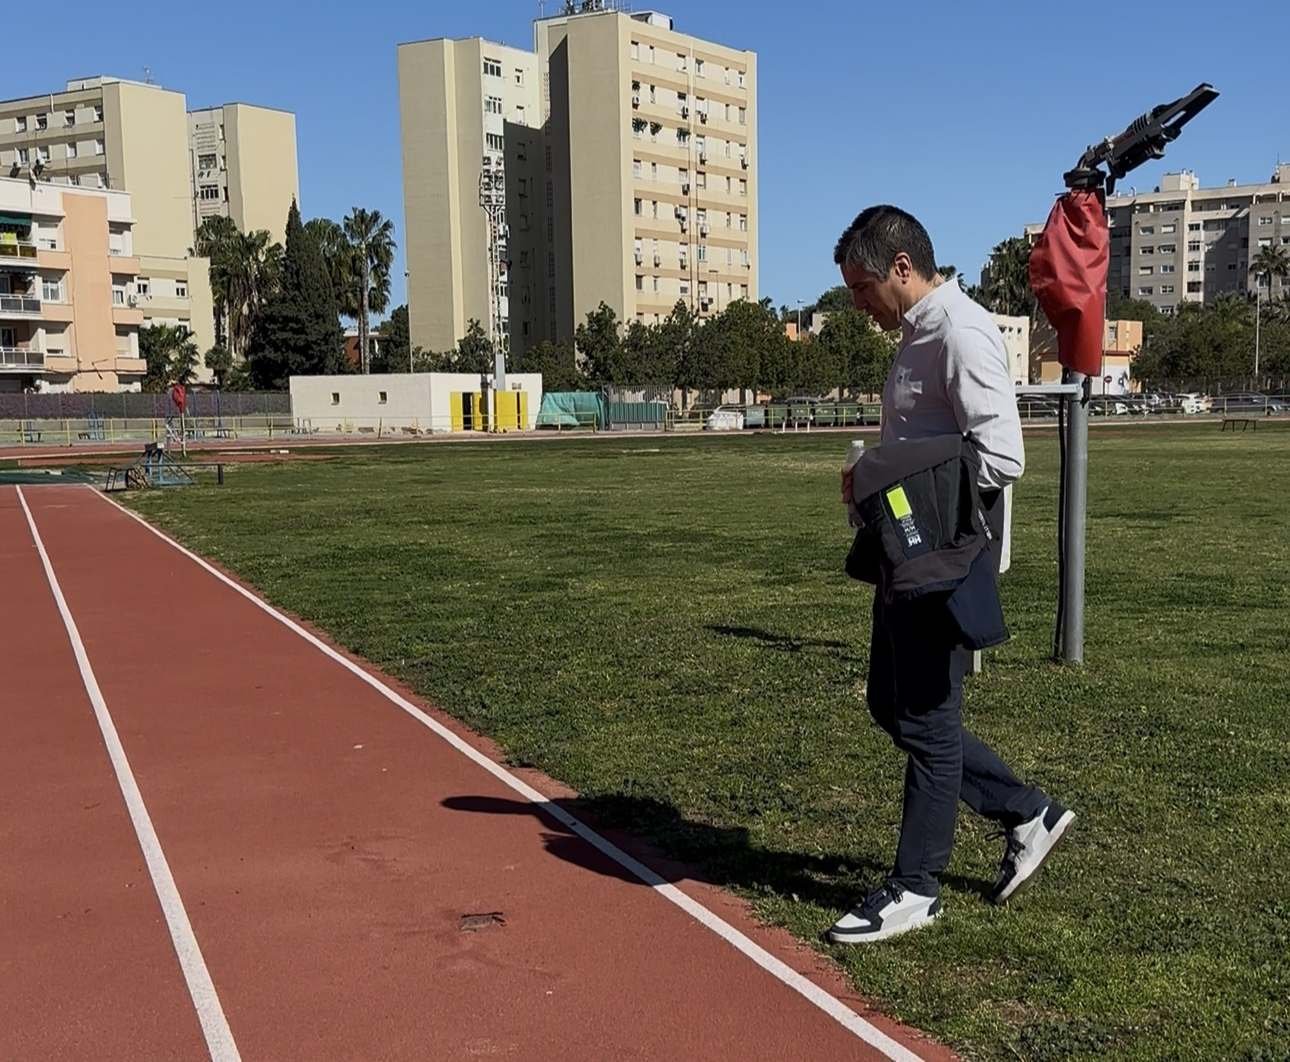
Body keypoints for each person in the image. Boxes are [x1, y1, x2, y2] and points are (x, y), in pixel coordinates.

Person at [828, 205, 1074, 944]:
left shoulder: (962, 332)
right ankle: (1026, 811)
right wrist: (875, 483)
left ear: (902, 267)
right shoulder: (916, 335)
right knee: (892, 706)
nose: (858, 303)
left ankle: (916, 887)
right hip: (906, 553)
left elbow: (1002, 456)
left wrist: (893, 479)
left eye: (862, 286)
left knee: (929, 723)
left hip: (942, 561)